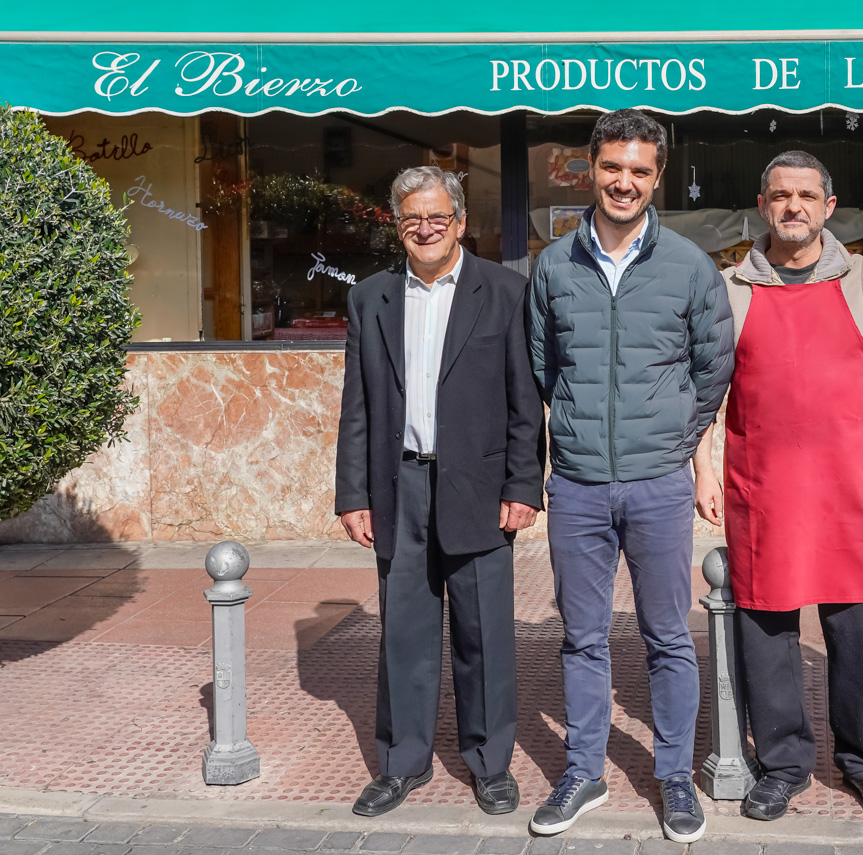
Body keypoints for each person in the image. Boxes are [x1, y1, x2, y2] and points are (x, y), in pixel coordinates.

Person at [526, 109, 734, 842]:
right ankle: (584, 771)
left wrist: (675, 441)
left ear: (658, 175)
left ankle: (674, 775)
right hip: (579, 483)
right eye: (612, 167)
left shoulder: (689, 265)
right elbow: (541, 371)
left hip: (658, 484)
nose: (624, 181)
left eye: (640, 170)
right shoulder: (553, 265)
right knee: (581, 637)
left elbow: (714, 371)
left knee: (668, 636)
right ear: (591, 167)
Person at [693, 150, 863, 823]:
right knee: (767, 633)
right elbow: (702, 394)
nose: (794, 207)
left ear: (828, 205)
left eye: (806, 196)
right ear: (762, 205)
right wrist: (703, 464)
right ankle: (784, 762)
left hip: (854, 490)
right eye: (781, 195)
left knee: (862, 634)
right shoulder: (730, 290)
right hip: (765, 489)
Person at [334, 167, 545, 818]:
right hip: (399, 485)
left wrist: (522, 484)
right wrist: (353, 492)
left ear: (458, 221)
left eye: (435, 217)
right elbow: (358, 405)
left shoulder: (506, 291)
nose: (423, 229)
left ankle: (489, 763)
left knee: (484, 635)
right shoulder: (370, 298)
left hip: (481, 488)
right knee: (406, 631)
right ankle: (404, 761)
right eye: (409, 219)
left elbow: (524, 403)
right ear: (395, 225)